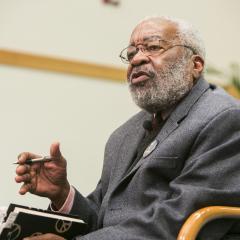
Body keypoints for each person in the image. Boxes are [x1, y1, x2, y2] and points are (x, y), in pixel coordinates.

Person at [15, 16, 240, 240]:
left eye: (153, 47)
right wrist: (62, 193)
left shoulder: (224, 119)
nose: (137, 59)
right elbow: (102, 220)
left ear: (195, 65)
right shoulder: (124, 135)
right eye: (131, 53)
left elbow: (178, 221)